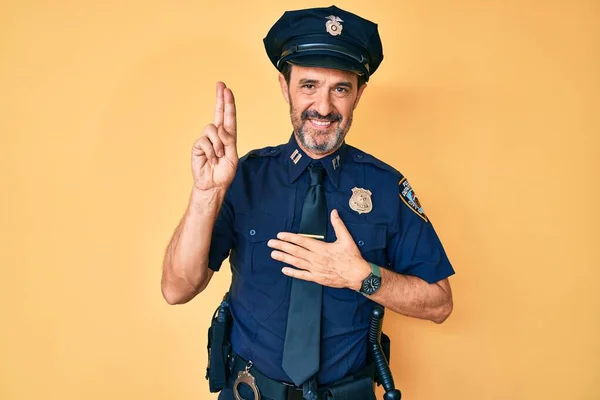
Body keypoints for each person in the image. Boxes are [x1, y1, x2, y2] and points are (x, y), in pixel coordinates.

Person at [161, 5, 455, 400]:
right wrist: (206, 194)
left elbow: (439, 304)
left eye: (340, 89)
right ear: (285, 88)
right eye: (309, 85)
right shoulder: (243, 177)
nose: (323, 107)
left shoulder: (386, 187)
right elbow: (177, 288)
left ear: (359, 94)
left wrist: (361, 276)